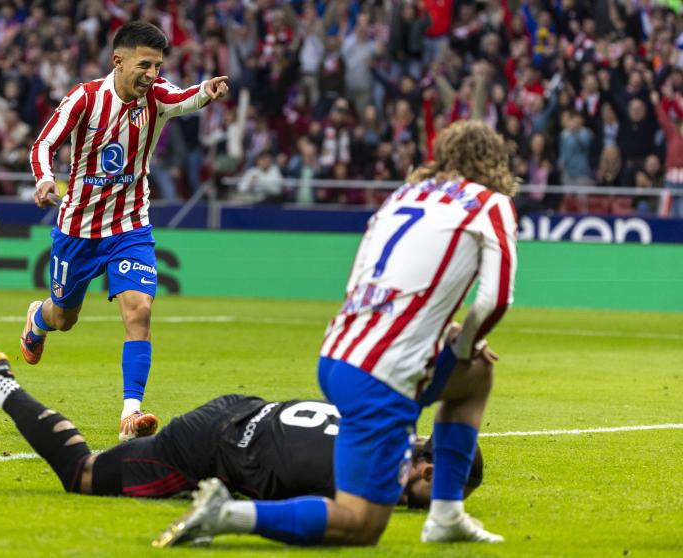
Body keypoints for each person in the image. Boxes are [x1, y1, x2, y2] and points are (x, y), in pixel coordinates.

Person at [155, 120, 517, 547]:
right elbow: (495, 299)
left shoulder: (404, 195)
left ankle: (447, 514)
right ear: (493, 162)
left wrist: (444, 336)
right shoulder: (490, 204)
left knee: (474, 374)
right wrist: (463, 341)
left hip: (337, 354)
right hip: (382, 374)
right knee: (359, 523)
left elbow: (369, 277)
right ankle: (228, 514)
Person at [21, 22, 229, 442]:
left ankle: (130, 414)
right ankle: (38, 320)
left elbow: (184, 98)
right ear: (118, 61)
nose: (152, 74)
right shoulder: (85, 98)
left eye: (158, 66)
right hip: (77, 229)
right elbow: (43, 145)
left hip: (129, 225)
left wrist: (206, 91)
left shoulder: (157, 97)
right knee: (64, 318)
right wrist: (44, 180)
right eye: (145, 65)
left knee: (140, 310)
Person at [0, 351, 484, 506]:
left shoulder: (383, 423)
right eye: (445, 490)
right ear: (433, 467)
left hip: (239, 412)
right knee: (83, 473)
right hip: (210, 446)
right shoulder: (377, 479)